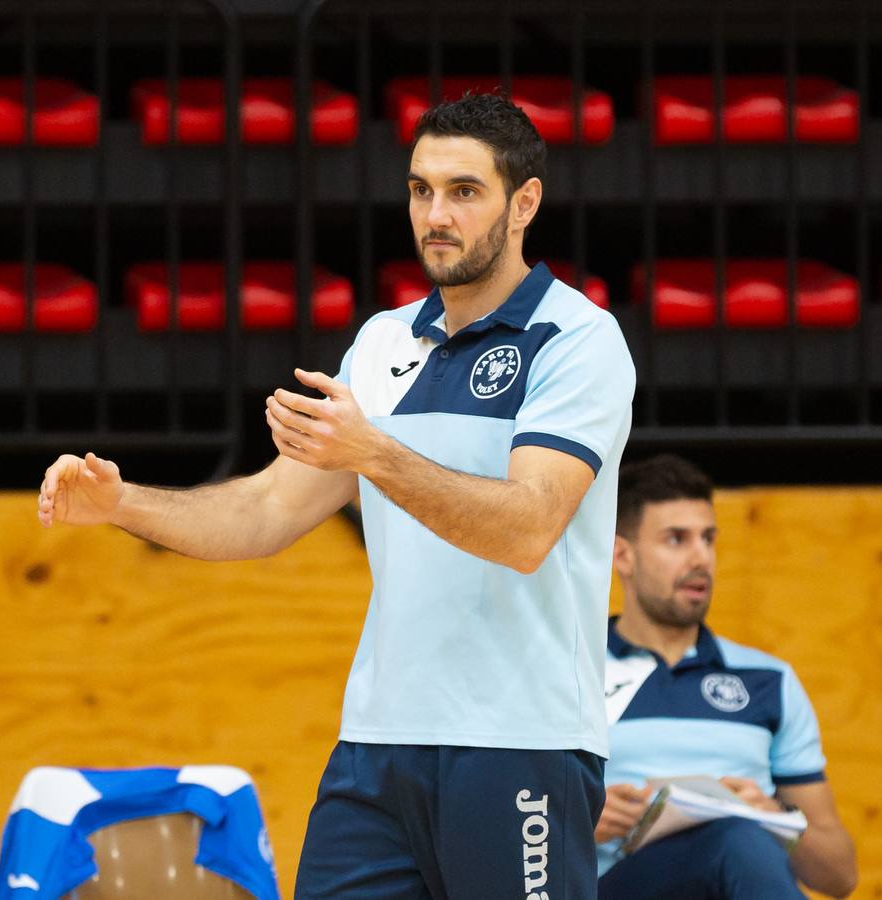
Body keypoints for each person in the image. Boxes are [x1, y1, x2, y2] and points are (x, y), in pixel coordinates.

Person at [39, 92, 635, 899]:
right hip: (376, 750)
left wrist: (377, 454)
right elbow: (266, 510)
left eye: (465, 191)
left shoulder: (579, 341)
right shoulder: (382, 342)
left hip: (518, 744)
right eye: (422, 190)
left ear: (524, 202)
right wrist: (122, 505)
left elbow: (527, 528)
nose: (436, 215)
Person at [592, 454, 857, 899]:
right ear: (623, 555)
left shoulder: (769, 680)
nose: (701, 558)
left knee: (740, 839)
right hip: (614, 885)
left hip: (739, 871)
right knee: (734, 842)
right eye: (677, 539)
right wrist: (577, 824)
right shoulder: (572, 672)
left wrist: (773, 816)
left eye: (709, 539)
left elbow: (840, 876)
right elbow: (486, 826)